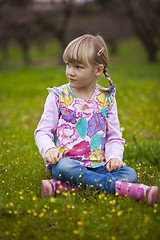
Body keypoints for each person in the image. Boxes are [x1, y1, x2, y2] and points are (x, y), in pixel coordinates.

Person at [34, 34, 158, 205]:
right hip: (68, 164)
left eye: (78, 67)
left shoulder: (106, 99)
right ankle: (127, 190)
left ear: (98, 70)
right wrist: (48, 149)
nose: (70, 71)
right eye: (68, 64)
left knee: (129, 173)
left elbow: (114, 136)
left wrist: (114, 157)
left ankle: (65, 188)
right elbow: (43, 131)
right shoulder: (58, 96)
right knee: (64, 168)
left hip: (100, 166)